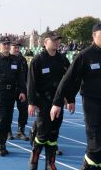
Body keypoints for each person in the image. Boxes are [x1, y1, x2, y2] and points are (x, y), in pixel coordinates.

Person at [50, 22, 101, 169]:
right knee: (97, 146)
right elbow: (68, 80)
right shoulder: (85, 56)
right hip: (94, 106)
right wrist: (57, 102)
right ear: (94, 35)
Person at [27, 31, 70, 170]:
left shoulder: (63, 59)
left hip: (57, 102)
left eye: (58, 40)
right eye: (54, 40)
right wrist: (31, 102)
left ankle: (50, 164)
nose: (57, 42)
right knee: (42, 133)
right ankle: (34, 161)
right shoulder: (37, 60)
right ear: (45, 42)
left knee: (53, 134)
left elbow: (69, 80)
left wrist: (69, 98)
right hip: (43, 102)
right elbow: (31, 83)